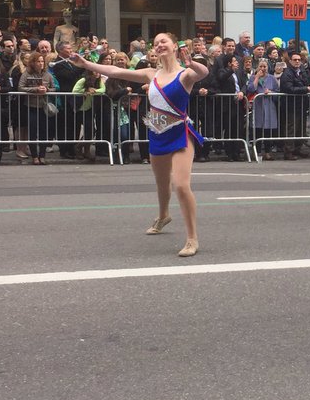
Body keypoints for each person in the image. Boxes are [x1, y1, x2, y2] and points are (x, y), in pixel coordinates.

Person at [72, 34, 209, 256]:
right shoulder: (150, 74)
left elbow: (204, 73)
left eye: (164, 41)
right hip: (157, 131)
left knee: (181, 185)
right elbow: (115, 72)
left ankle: (192, 238)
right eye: (155, 43)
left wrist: (192, 63)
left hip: (180, 133)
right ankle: (164, 215)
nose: (159, 45)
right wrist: (86, 63)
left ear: (175, 46)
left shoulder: (185, 74)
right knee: (162, 183)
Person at [17, 51, 54, 164]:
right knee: (32, 132)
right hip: (31, 106)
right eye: (38, 61)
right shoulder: (27, 74)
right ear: (33, 62)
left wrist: (46, 90)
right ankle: (34, 156)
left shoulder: (47, 74)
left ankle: (42, 155)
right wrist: (34, 90)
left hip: (43, 106)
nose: (41, 63)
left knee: (43, 131)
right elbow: (20, 87)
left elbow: (54, 88)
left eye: (42, 61)